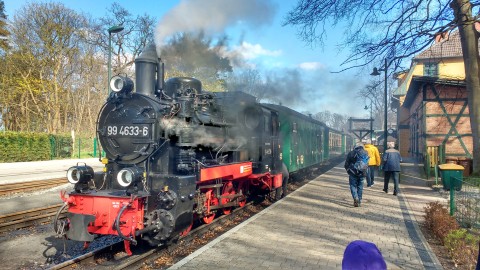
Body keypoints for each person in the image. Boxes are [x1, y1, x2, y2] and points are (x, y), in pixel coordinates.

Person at [344, 141, 369, 207]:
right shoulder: (366, 152)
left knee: (353, 186)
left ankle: (355, 197)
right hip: (362, 173)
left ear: (355, 146)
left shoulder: (351, 153)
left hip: (353, 172)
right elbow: (367, 164)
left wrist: (348, 171)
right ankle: (359, 201)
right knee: (360, 187)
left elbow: (346, 164)